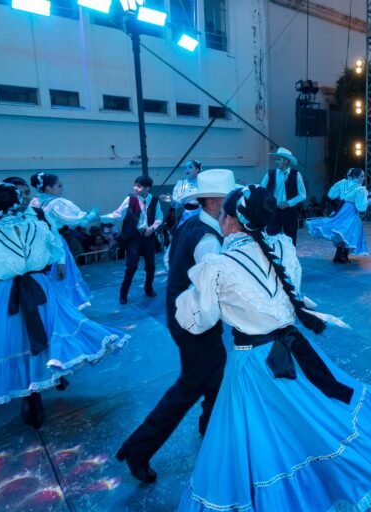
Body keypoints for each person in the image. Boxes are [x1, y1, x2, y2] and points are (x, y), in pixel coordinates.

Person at [174, 185, 371, 510]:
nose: (220, 218)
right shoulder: (281, 249)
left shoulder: (218, 266)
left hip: (252, 364)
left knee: (260, 437)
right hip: (290, 352)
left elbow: (198, 321)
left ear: (232, 221)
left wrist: (186, 295)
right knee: (298, 424)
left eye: (224, 213)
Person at [0, 182, 129, 427]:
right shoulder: (37, 226)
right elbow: (53, 254)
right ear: (17, 201)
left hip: (3, 294)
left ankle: (34, 395)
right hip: (40, 286)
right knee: (48, 331)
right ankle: (45, 380)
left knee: (11, 341)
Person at [116, 169, 237, 483]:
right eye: (230, 199)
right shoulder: (209, 239)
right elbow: (214, 291)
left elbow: (173, 263)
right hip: (194, 320)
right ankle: (138, 449)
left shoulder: (193, 225)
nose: (235, 204)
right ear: (215, 202)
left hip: (183, 314)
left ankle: (209, 424)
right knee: (189, 386)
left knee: (216, 368)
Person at [29, 172, 99, 309]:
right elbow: (78, 220)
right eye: (59, 185)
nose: (62, 188)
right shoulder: (57, 203)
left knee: (47, 275)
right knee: (62, 274)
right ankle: (64, 306)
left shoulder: (35, 202)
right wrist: (92, 215)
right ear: (49, 188)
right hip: (56, 242)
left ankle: (52, 305)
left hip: (39, 245)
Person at [101, 175, 163, 305]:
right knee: (131, 266)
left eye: (139, 186)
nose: (135, 188)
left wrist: (152, 228)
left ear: (148, 188)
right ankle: (123, 294)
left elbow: (159, 218)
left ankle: (148, 288)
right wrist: (101, 217)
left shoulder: (155, 201)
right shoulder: (130, 199)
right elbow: (117, 214)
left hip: (148, 236)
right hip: (133, 237)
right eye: (135, 185)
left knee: (151, 266)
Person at [306, 168, 369, 263]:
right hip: (351, 213)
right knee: (350, 233)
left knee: (341, 232)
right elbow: (361, 207)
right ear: (356, 176)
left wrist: (341, 197)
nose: (363, 178)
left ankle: (338, 256)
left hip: (341, 210)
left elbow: (331, 194)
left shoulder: (343, 183)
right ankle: (343, 256)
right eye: (362, 176)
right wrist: (370, 201)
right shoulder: (360, 189)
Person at [261, 146, 306, 245]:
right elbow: (261, 190)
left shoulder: (296, 175)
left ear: (286, 161)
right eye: (276, 159)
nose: (276, 162)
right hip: (273, 211)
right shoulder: (270, 174)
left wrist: (288, 203)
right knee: (270, 237)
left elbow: (302, 195)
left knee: (291, 239)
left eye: (279, 159)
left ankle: (290, 259)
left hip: (290, 212)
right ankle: (271, 258)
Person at [160, 159, 202, 227]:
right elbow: (177, 204)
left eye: (190, 167)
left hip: (200, 215)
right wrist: (171, 200)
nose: (187, 169)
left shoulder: (202, 183)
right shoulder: (181, 184)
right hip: (186, 214)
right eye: (185, 168)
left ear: (197, 170)